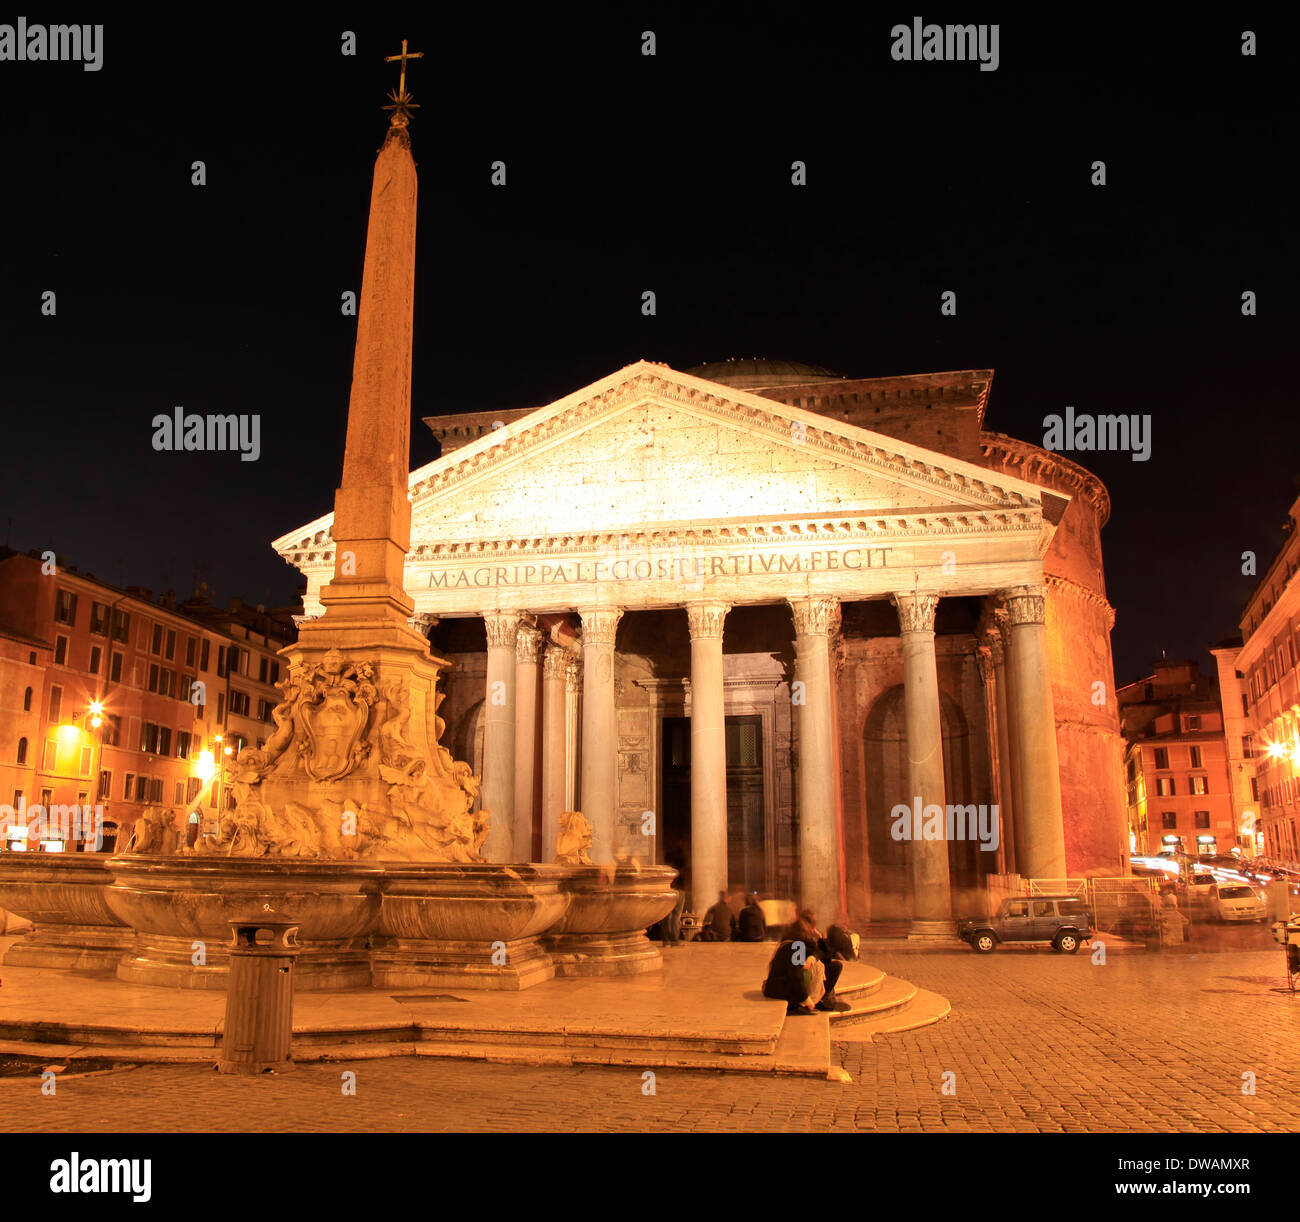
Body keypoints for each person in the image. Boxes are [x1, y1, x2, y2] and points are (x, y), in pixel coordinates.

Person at [762, 908, 849, 1013]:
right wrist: (805, 999)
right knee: (817, 967)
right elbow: (795, 976)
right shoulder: (796, 947)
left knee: (833, 966)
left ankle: (818, 1000)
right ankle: (806, 1004)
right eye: (811, 927)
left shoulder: (800, 944)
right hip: (780, 990)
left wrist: (820, 940)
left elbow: (827, 958)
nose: (813, 930)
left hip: (787, 986)